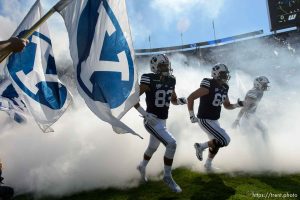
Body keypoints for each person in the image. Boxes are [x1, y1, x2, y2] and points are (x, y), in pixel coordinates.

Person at [134, 54, 186, 193]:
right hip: (151, 119)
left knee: (152, 148)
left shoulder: (171, 79)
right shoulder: (148, 78)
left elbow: (173, 99)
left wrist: (180, 101)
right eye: (163, 65)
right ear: (155, 67)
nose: (166, 67)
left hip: (162, 120)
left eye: (167, 65)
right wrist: (144, 113)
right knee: (171, 143)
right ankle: (167, 176)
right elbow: (132, 98)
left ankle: (142, 166)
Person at [187, 63, 243, 172]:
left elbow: (227, 105)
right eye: (223, 73)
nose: (226, 76)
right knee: (225, 140)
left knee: (216, 142)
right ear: (215, 73)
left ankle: (208, 165)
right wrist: (191, 115)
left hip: (214, 119)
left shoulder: (225, 86)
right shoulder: (208, 83)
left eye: (226, 74)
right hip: (205, 119)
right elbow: (191, 97)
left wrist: (237, 104)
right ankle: (201, 146)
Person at [232, 76, 270, 141]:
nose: (266, 86)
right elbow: (245, 107)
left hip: (251, 115)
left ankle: (268, 148)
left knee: (264, 130)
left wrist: (241, 103)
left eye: (266, 84)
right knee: (248, 136)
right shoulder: (253, 92)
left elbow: (248, 103)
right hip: (247, 117)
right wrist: (237, 120)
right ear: (258, 84)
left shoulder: (259, 91)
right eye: (264, 84)